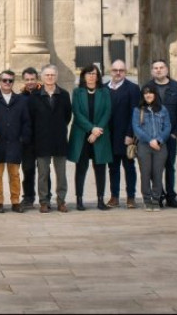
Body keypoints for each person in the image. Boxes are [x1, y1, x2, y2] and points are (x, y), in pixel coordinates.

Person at [68, 64, 113, 211]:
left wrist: (96, 131)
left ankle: (100, 200)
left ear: (98, 76)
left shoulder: (104, 92)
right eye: (88, 74)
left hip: (100, 135)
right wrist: (91, 128)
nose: (91, 76)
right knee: (81, 168)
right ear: (83, 76)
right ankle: (79, 200)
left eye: (94, 74)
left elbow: (107, 112)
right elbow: (77, 113)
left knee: (100, 168)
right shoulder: (77, 92)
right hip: (82, 136)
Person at [28, 64, 72, 213]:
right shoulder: (34, 96)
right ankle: (44, 201)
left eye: (52, 75)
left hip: (59, 140)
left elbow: (67, 116)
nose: (50, 77)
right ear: (42, 77)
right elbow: (31, 118)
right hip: (42, 140)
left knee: (61, 174)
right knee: (43, 174)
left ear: (56, 76)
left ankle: (61, 201)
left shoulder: (64, 95)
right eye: (47, 75)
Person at [0, 70, 30, 213]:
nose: (7, 83)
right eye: (4, 80)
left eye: (10, 80)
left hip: (15, 143)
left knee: (15, 174)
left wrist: (23, 138)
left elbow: (26, 121)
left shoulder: (21, 100)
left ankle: (15, 201)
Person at [144, 59, 177, 208]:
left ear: (167, 70)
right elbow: (141, 110)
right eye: (155, 68)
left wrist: (176, 132)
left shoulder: (176, 86)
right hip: (153, 136)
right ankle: (159, 194)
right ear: (152, 71)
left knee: (169, 166)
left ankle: (171, 196)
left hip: (170, 135)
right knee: (154, 168)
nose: (158, 70)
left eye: (161, 67)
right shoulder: (147, 87)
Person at [106, 60, 141, 209]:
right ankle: (114, 196)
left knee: (129, 167)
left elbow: (135, 113)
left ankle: (131, 197)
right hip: (109, 137)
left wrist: (130, 134)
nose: (118, 73)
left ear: (125, 72)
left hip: (126, 136)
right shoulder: (104, 88)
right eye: (115, 70)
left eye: (121, 70)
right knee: (112, 168)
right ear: (111, 71)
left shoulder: (133, 88)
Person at [131, 85, 171, 212]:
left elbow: (167, 127)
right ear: (143, 96)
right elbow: (136, 128)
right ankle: (147, 200)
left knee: (158, 174)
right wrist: (149, 140)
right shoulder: (138, 110)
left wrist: (158, 140)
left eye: (150, 93)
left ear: (155, 94)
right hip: (144, 146)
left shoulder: (163, 109)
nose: (148, 95)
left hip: (160, 146)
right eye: (145, 93)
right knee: (145, 173)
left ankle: (156, 200)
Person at [20, 67, 44, 208]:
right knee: (28, 170)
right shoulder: (20, 97)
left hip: (42, 139)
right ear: (24, 80)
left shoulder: (44, 94)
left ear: (37, 79)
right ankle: (28, 197)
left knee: (44, 171)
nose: (30, 82)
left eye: (32, 79)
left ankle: (45, 198)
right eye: (27, 79)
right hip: (26, 141)